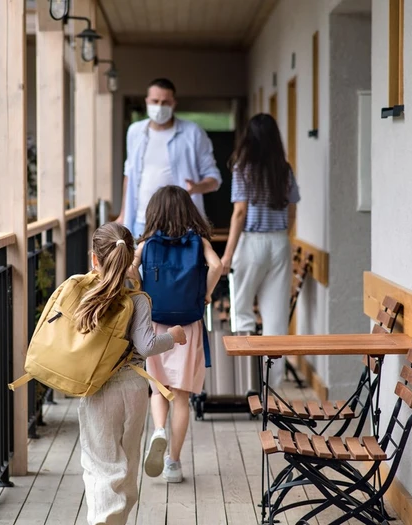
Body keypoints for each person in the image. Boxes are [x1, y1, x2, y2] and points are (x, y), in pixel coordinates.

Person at [76, 222, 187, 525]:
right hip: (134, 387)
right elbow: (147, 345)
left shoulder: (84, 293)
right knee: (127, 461)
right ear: (130, 259)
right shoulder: (137, 298)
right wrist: (174, 336)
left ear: (94, 258)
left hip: (97, 387)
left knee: (100, 463)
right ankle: (118, 519)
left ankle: (104, 519)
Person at [132, 186, 223, 483]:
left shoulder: (147, 244)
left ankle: (158, 430)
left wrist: (142, 290)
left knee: (159, 390)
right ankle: (173, 462)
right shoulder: (198, 241)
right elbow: (218, 265)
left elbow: (130, 269)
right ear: (188, 210)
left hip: (156, 325)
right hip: (188, 327)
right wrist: (206, 294)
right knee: (181, 397)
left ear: (154, 212)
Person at [220, 113, 300, 387]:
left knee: (242, 310)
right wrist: (282, 236)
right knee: (276, 318)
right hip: (279, 242)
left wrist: (228, 254)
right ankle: (271, 389)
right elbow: (292, 212)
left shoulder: (244, 168)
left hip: (252, 242)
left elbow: (239, 212)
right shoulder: (284, 169)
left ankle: (246, 384)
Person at [116, 78, 223, 238]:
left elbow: (214, 179)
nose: (159, 107)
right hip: (142, 222)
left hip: (183, 224)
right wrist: (123, 214)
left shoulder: (193, 133)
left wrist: (196, 188)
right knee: (140, 263)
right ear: (147, 101)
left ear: (174, 103)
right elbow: (129, 176)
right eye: (155, 101)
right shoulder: (135, 132)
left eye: (165, 102)